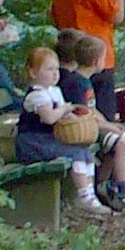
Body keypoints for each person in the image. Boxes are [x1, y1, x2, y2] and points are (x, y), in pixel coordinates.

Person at [16, 47, 113, 217]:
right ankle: (84, 197)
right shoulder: (37, 95)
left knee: (85, 153)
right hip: (33, 142)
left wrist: (73, 116)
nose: (55, 74)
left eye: (56, 69)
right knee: (75, 154)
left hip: (48, 139)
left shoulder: (54, 91)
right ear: (33, 73)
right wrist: (64, 109)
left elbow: (63, 115)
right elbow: (49, 118)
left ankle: (89, 194)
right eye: (49, 69)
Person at [56, 29, 125, 211]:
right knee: (120, 143)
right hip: (84, 129)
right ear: (96, 61)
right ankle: (123, 191)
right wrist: (108, 127)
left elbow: (93, 110)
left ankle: (104, 183)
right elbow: (84, 114)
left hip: (93, 125)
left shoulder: (86, 81)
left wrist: (109, 124)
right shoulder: (76, 83)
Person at [50, 0, 125, 118]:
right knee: (104, 114)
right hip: (97, 57)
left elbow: (55, 17)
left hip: (70, 59)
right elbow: (117, 16)